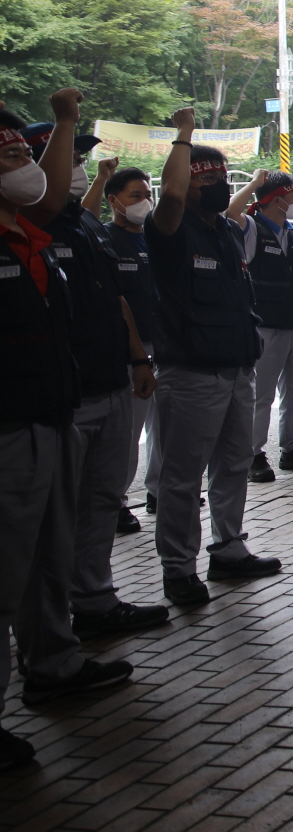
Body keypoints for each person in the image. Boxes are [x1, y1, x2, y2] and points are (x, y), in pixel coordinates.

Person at [0, 99, 134, 766]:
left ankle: (53, 663)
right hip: (10, 427)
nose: (25, 165)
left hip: (46, 416)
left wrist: (63, 125)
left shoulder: (29, 235)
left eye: (24, 153)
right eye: (10, 154)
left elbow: (50, 196)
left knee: (47, 555)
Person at [24, 102, 169, 640]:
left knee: (102, 498)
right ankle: (48, 633)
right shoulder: (28, 224)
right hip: (67, 395)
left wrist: (137, 357)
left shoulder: (84, 224)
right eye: (68, 158)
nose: (79, 169)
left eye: (81, 160)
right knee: (54, 515)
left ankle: (94, 599)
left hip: (112, 380)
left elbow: (114, 299)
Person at [146, 105, 281, 605]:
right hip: (191, 373)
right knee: (183, 478)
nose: (219, 186)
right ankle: (178, 568)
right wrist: (184, 134)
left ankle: (229, 549)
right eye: (208, 179)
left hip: (237, 368)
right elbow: (172, 194)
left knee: (233, 465)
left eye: (223, 178)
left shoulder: (225, 231)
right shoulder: (169, 230)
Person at [223, 170, 293, 480]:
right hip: (265, 323)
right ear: (275, 200)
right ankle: (252, 455)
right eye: (291, 194)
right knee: (261, 394)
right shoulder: (251, 228)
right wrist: (255, 183)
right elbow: (230, 212)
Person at [98, 164, 160, 524]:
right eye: (135, 196)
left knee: (164, 427)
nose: (144, 203)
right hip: (131, 352)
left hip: (165, 345)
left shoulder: (155, 237)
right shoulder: (105, 240)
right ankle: (117, 501)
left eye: (147, 195)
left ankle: (159, 491)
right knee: (128, 432)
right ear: (114, 200)